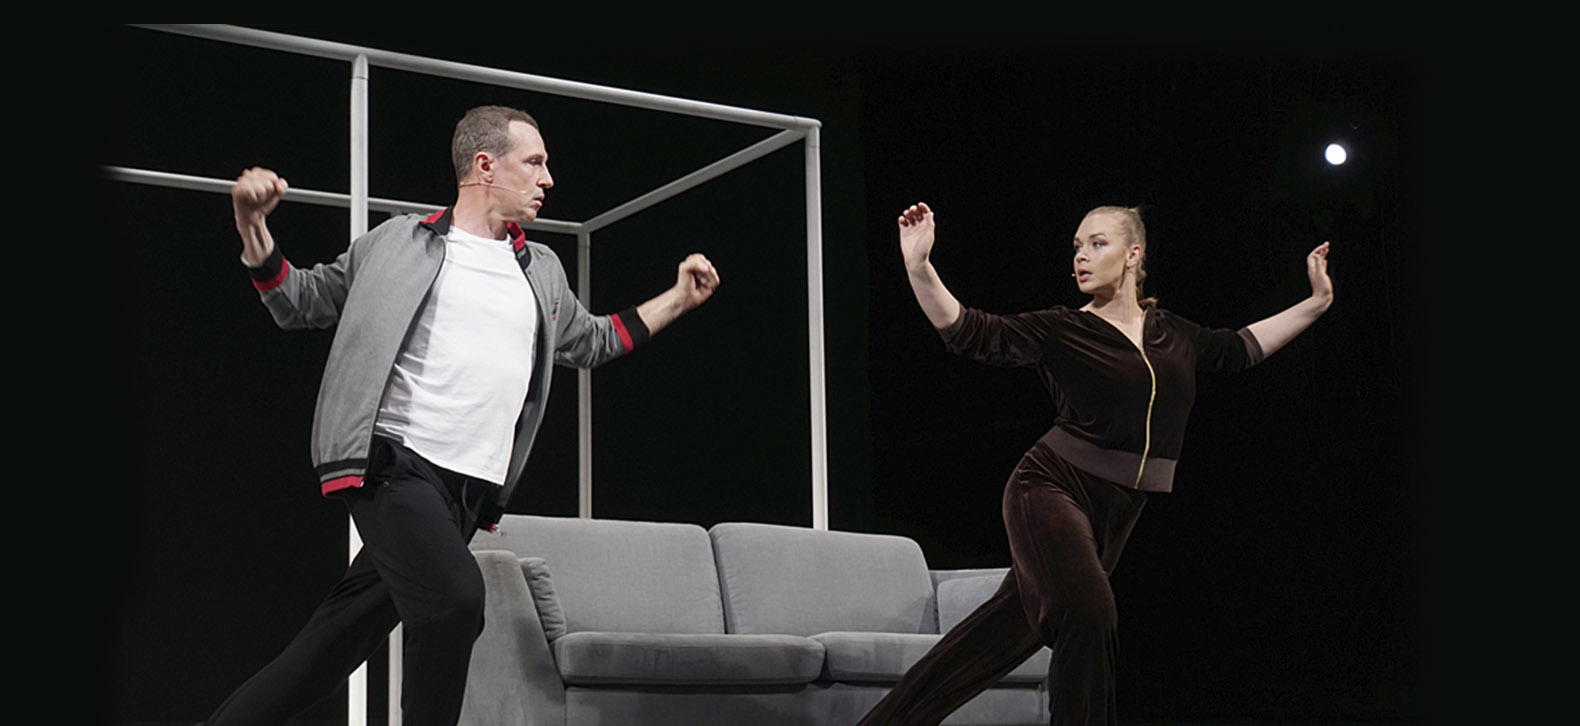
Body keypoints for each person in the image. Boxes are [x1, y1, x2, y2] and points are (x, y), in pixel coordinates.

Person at [204, 105, 720, 726]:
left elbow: (594, 340)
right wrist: (252, 224)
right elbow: (300, 300)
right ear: (485, 166)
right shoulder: (398, 242)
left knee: (333, 644)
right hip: (394, 467)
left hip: (466, 495)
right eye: (534, 162)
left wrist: (680, 298)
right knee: (455, 601)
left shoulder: (541, 269)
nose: (548, 178)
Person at [858, 202, 1331, 726]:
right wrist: (919, 266)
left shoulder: (1173, 334)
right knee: (1090, 614)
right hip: (1049, 487)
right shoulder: (1063, 329)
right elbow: (970, 331)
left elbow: (1241, 348)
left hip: (1116, 511)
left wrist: (1316, 303)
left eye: (1097, 244)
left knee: (989, 642)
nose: (1081, 256)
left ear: (1133, 255)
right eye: (1077, 247)